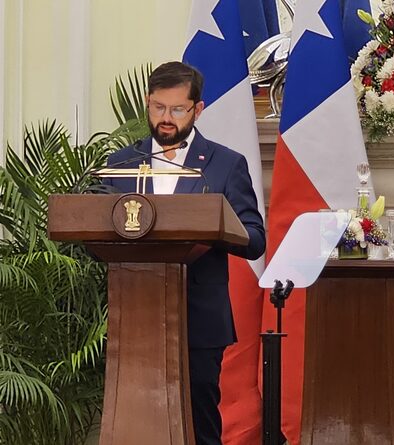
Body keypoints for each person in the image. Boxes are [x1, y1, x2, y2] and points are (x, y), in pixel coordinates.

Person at [103, 61, 266, 445]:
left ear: (198, 109)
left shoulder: (226, 164)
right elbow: (100, 226)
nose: (166, 118)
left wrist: (210, 226)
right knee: (138, 423)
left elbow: (255, 238)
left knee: (200, 423)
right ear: (148, 103)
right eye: (159, 107)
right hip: (136, 315)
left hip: (199, 321)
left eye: (177, 109)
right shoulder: (120, 163)